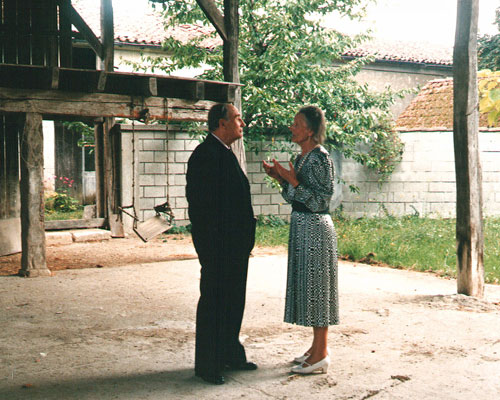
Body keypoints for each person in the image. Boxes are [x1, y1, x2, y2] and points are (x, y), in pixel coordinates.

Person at [262, 105, 339, 375]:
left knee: (318, 291)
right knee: (309, 289)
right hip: (304, 227)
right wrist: (281, 179)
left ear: (309, 131)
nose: (291, 128)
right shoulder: (304, 157)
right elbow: (295, 198)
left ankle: (320, 355)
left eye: (296, 124)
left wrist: (292, 181)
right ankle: (316, 348)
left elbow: (321, 201)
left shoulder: (320, 158)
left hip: (316, 228)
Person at [186, 103, 257, 385]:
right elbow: (202, 208)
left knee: (233, 302)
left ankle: (230, 353)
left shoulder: (226, 153)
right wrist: (212, 248)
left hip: (235, 247)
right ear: (221, 123)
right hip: (218, 248)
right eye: (238, 118)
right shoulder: (205, 155)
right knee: (215, 303)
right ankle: (208, 364)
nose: (242, 123)